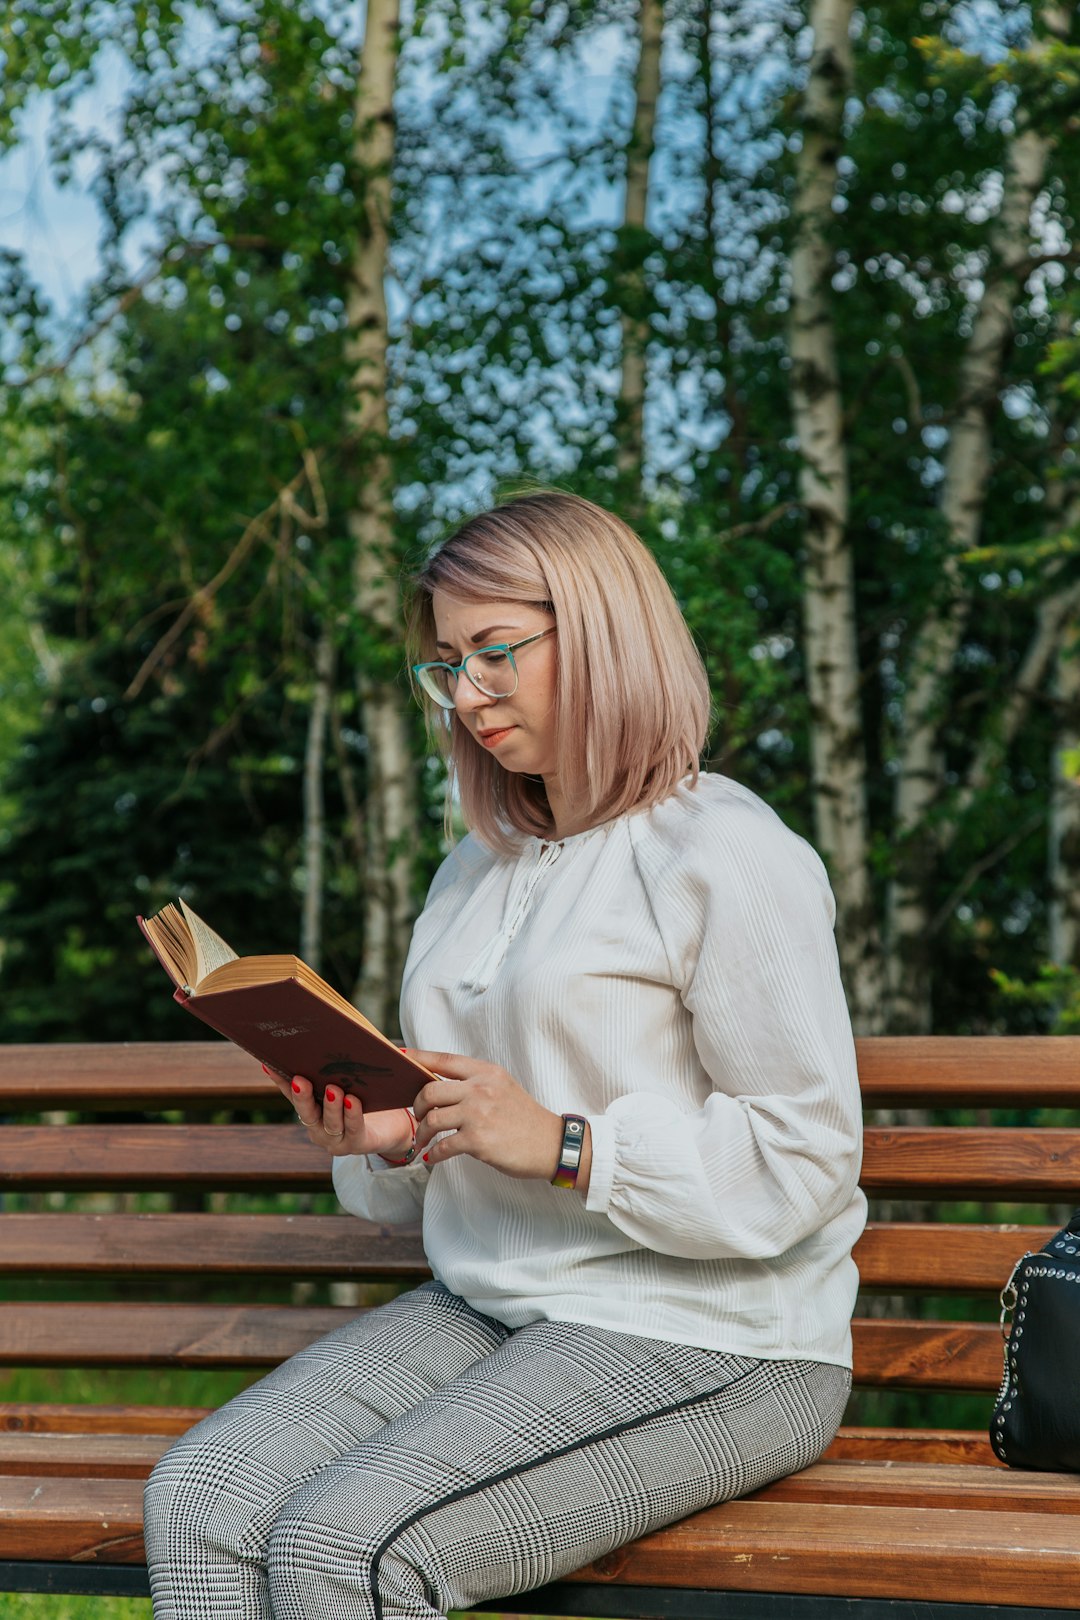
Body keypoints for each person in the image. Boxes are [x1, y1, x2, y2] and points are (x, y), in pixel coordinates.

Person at [144, 490, 866, 1620]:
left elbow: (805, 1156)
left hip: (715, 1334)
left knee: (350, 1546)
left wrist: (570, 1147)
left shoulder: (726, 852)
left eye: (496, 653)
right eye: (447, 664)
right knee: (203, 1499)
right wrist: (389, 1140)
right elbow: (433, 1168)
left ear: (606, 634)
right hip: (493, 1302)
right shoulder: (470, 874)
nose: (468, 694)